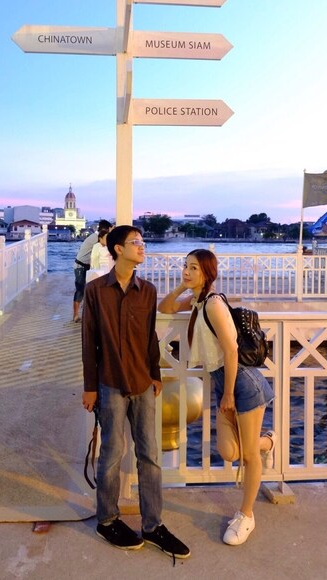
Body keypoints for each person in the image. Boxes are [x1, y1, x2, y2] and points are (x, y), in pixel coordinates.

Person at [81, 225, 190, 560]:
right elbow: (89, 340)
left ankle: (153, 524)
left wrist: (155, 375)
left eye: (143, 242)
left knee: (150, 455)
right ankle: (107, 520)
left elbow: (148, 339)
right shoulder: (96, 290)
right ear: (117, 249)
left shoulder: (147, 290)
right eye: (136, 243)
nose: (143, 247)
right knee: (111, 453)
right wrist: (90, 386)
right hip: (111, 382)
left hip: (143, 383)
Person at [158, 249, 276, 546]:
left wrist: (227, 395)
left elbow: (232, 350)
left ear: (207, 273)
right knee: (228, 452)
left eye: (194, 268)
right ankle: (269, 442)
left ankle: (246, 516)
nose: (187, 271)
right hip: (226, 384)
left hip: (243, 386)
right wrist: (184, 285)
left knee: (248, 457)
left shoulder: (212, 304)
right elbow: (166, 306)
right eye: (185, 266)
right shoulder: (197, 300)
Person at [74, 220, 112, 322]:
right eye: (108, 231)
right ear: (104, 230)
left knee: (87, 291)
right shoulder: (96, 239)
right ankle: (76, 315)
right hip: (80, 266)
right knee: (80, 290)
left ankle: (86, 313)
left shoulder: (97, 238)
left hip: (86, 266)